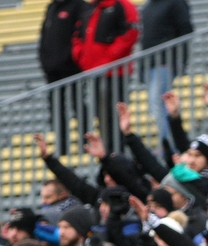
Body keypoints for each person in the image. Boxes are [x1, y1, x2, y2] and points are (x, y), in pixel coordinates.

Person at [71, 0, 140, 151]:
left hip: (115, 74)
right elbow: (77, 35)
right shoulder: (89, 9)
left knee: (114, 117)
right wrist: (83, 58)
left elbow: (131, 32)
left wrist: (108, 59)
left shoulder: (121, 5)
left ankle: (118, 154)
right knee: (102, 117)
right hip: (94, 72)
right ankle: (111, 154)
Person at [140, 0, 193, 155]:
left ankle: (170, 145)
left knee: (160, 103)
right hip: (151, 64)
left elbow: (185, 30)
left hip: (165, 62)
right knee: (156, 104)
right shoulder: (148, 7)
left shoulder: (175, 3)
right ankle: (168, 144)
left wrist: (180, 61)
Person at [39, 0, 87, 155]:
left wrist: (70, 58)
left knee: (78, 106)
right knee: (56, 110)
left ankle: (86, 144)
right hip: (52, 71)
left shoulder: (79, 6)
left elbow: (81, 35)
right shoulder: (52, 7)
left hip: (73, 69)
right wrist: (45, 61)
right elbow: (44, 36)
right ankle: (62, 148)